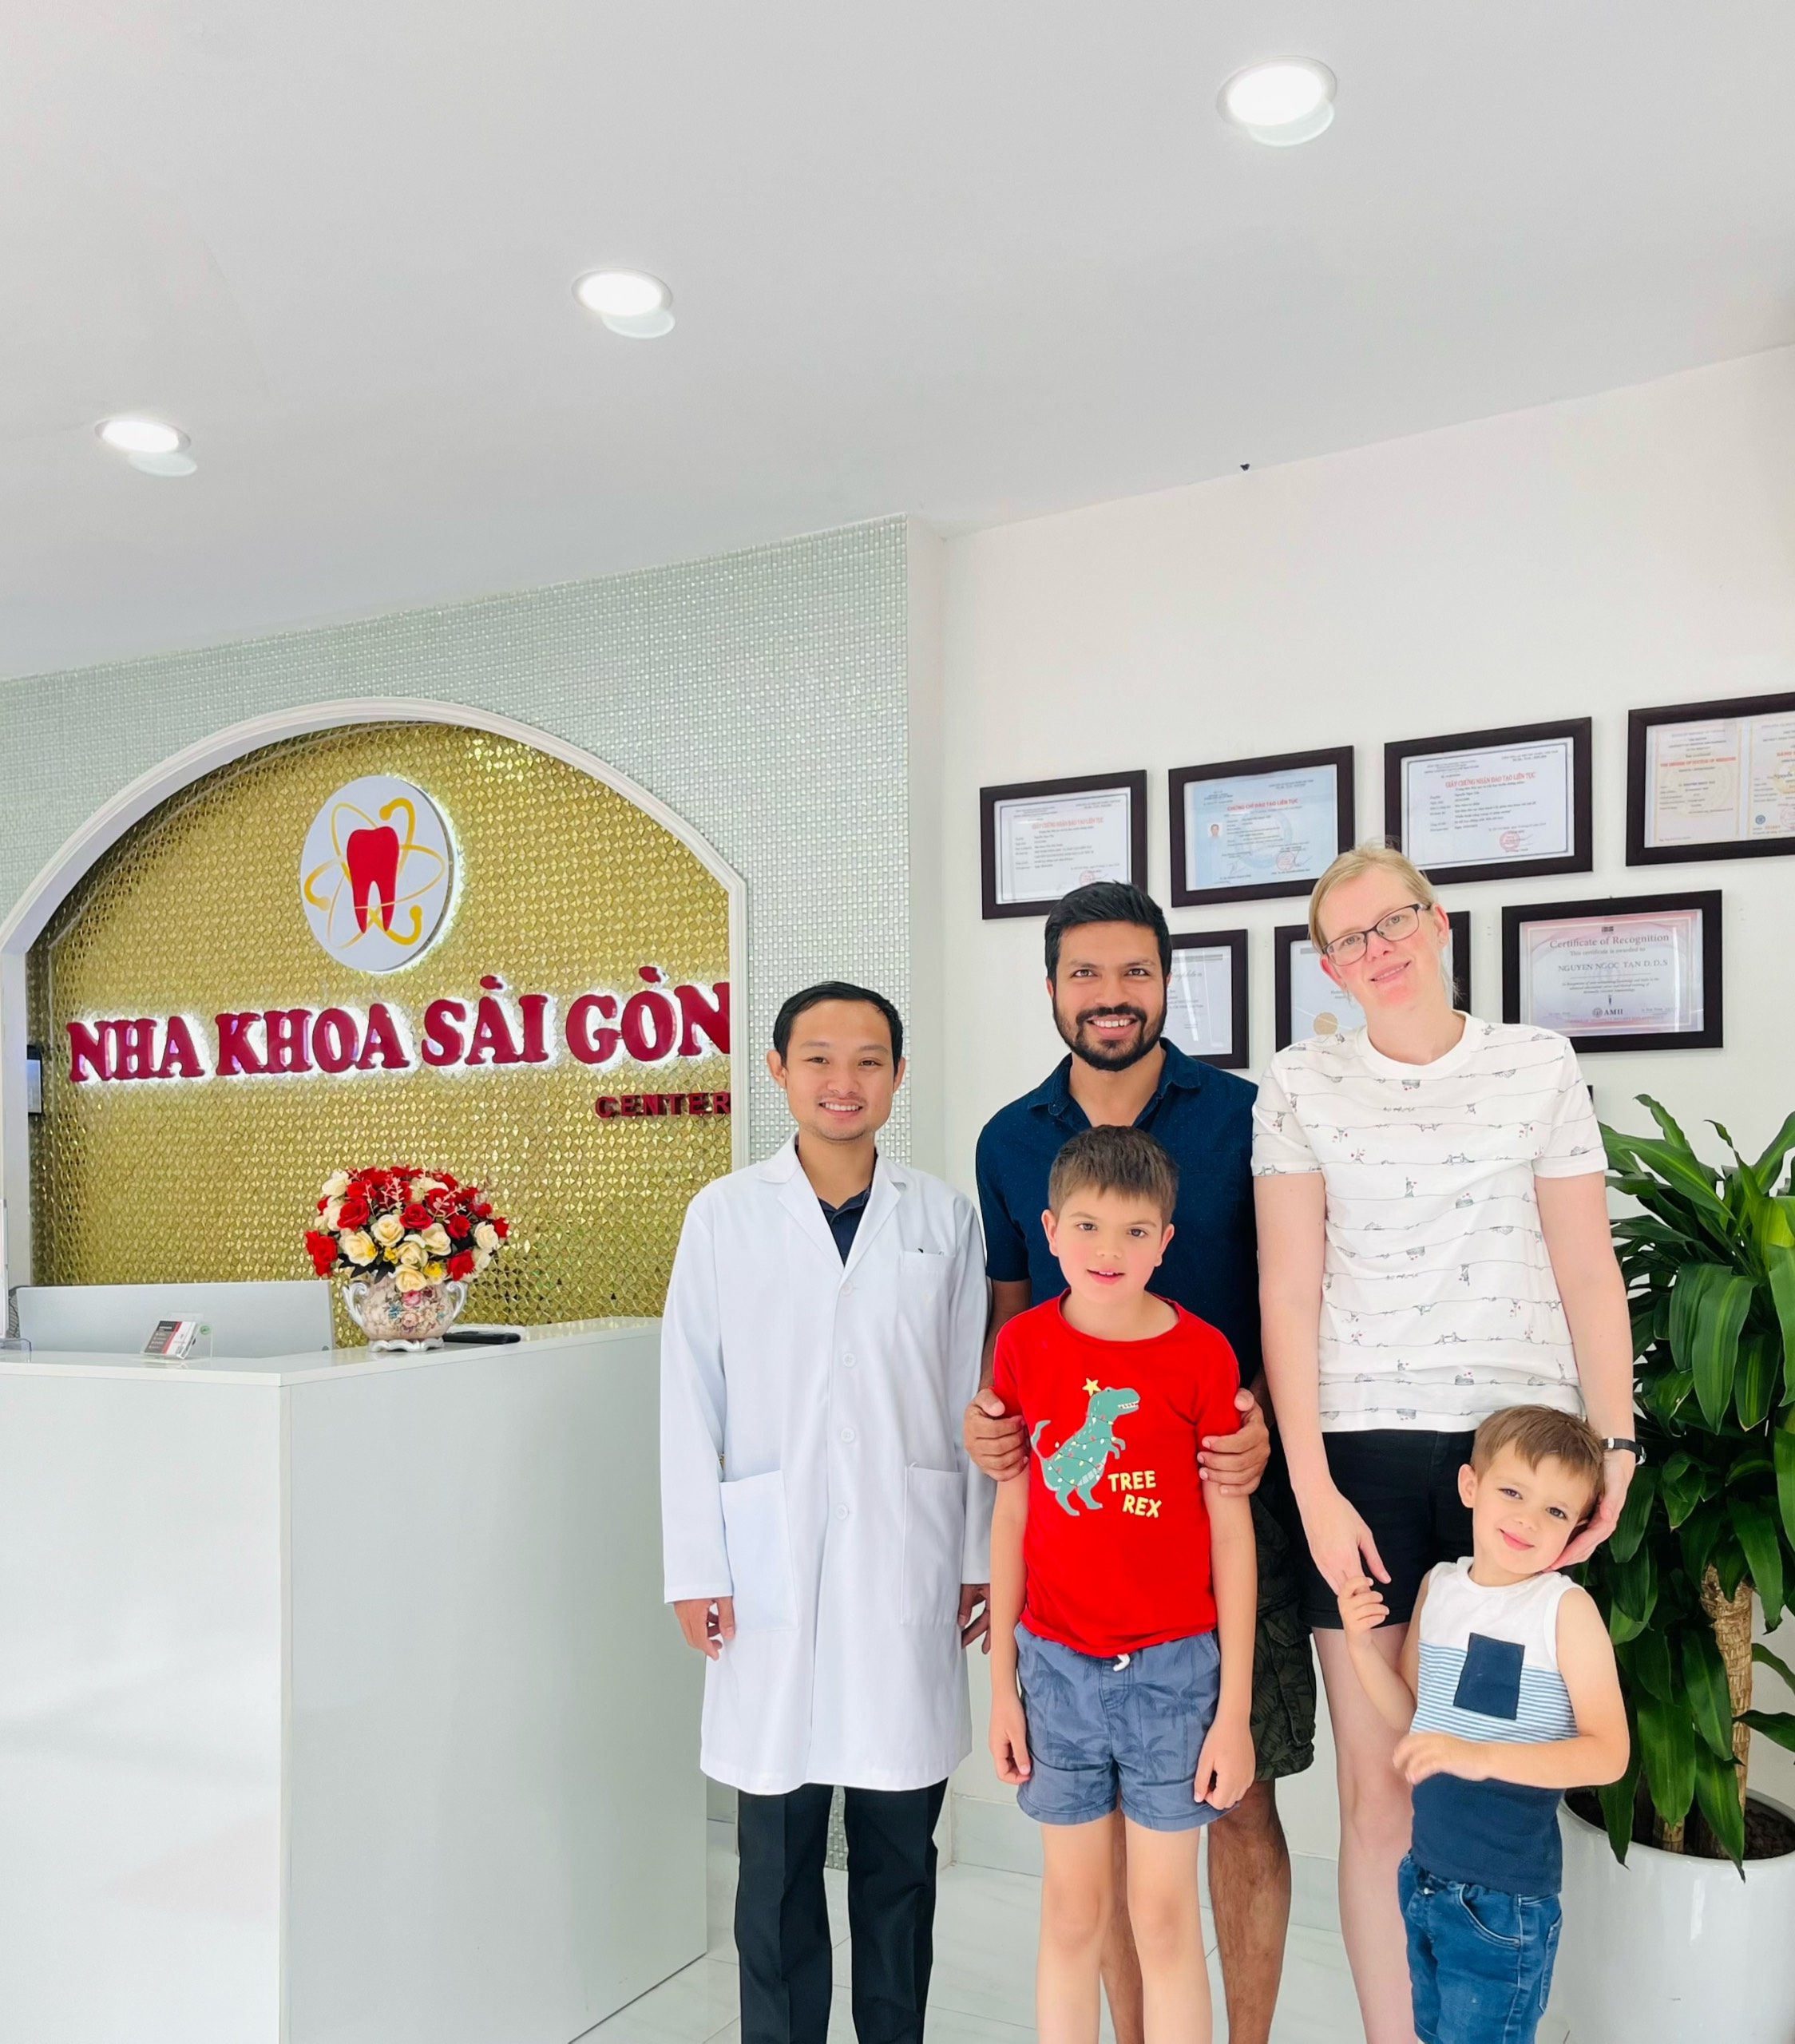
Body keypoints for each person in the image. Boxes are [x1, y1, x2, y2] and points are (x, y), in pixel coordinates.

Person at [1251, 844, 1638, 2044]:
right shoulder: (1300, 1082)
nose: (1378, 949)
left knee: (1486, 1762)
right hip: (1359, 1455)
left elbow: (1587, 1267)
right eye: (1349, 938)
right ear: (1328, 967)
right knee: (1384, 1784)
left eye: (1395, 921)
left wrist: (1616, 1446)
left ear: (1439, 924)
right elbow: (1287, 1294)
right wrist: (1312, 1486)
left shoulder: (1536, 1064)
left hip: (1515, 1457)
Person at [964, 881, 1315, 2044]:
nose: (1110, 995)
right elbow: (1013, 1322)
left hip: (1231, 1492)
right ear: (1052, 986)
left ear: (1167, 982)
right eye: (1085, 973)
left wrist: (1268, 1421)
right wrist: (989, 1419)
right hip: (1082, 1539)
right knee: (1098, 1849)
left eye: (1134, 972)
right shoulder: (1009, 1140)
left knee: (1240, 1792)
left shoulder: (1249, 1116)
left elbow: (1298, 1292)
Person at [660, 981, 993, 2044]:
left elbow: (973, 1395)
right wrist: (695, 1565)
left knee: (899, 1860)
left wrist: (979, 1550)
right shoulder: (724, 1214)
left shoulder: (942, 1217)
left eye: (867, 1060)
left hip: (908, 1557)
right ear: (777, 1069)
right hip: (766, 1571)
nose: (842, 1081)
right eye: (818, 1058)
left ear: (897, 1074)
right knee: (775, 1861)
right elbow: (687, 1396)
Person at [987, 1126, 1256, 2044]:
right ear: (1050, 1230)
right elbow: (1013, 1515)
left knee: (1165, 1918)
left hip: (1173, 1676)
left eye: (1136, 1231)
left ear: (1165, 1241)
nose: (1110, 1250)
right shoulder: (1023, 1346)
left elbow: (1231, 1535)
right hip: (1054, 1669)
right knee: (1071, 1913)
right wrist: (1001, 1689)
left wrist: (1232, 1711)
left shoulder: (1202, 1355)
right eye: (1089, 1227)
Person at [1336, 1405, 1628, 2044]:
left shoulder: (1564, 1611)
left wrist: (1480, 1756)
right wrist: (1360, 1649)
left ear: (1578, 1527)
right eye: (1513, 1492)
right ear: (1470, 1485)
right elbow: (1414, 1715)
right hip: (1425, 1877)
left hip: (1504, 1903)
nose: (1528, 1520)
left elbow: (1609, 1755)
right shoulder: (1440, 1588)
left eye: (1556, 1510)